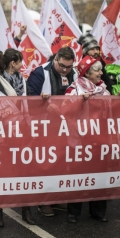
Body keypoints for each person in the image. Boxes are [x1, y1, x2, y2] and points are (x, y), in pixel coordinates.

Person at [65, 55, 120, 223]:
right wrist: (77, 102)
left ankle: (98, 211)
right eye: (97, 70)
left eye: (101, 69)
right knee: (78, 176)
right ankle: (74, 212)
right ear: (87, 73)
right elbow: (64, 109)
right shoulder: (74, 88)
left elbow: (113, 113)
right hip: (80, 140)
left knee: (100, 175)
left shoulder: (105, 89)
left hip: (100, 140)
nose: (101, 73)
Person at [0, 48, 37, 226]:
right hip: (1, 135)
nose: (23, 65)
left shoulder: (23, 80)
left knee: (25, 173)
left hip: (21, 133)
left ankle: (26, 210)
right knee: (0, 174)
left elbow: (28, 102)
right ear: (12, 63)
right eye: (21, 61)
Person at [27, 46, 78, 217]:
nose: (65, 70)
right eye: (62, 66)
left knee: (62, 163)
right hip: (44, 127)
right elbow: (29, 97)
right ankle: (44, 201)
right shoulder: (41, 73)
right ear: (55, 59)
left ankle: (56, 197)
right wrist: (46, 105)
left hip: (66, 127)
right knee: (45, 165)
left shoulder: (75, 74)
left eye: (68, 67)